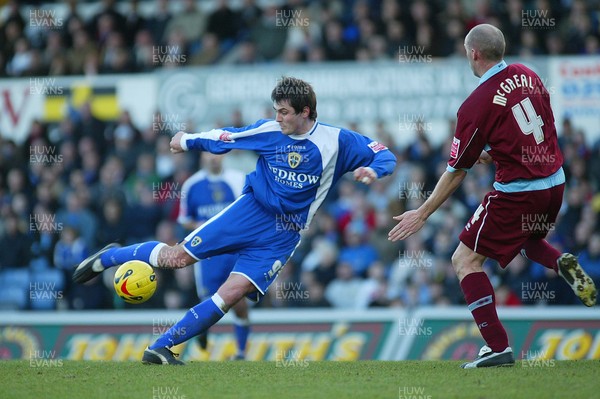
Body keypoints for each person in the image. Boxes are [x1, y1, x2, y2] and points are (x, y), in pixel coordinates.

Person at [74, 76, 396, 365]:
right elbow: (227, 137)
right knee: (177, 258)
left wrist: (373, 170)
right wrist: (187, 140)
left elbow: (385, 155)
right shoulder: (270, 131)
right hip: (250, 212)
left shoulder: (337, 142)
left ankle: (162, 347)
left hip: (283, 236)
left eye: (284, 112)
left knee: (230, 296)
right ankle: (109, 256)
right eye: (276, 110)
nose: (278, 117)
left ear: (306, 112)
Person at [388, 24, 597, 369]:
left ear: (473, 54)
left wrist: (422, 213)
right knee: (528, 239)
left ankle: (497, 346)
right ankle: (560, 262)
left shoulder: (476, 104)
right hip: (555, 183)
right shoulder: (528, 74)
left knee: (464, 261)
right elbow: (535, 128)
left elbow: (456, 172)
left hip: (519, 193)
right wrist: (497, 152)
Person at [178, 151, 249, 360]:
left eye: (216, 154)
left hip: (233, 250)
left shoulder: (238, 179)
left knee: (239, 302)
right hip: (207, 254)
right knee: (208, 301)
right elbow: (184, 219)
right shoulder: (191, 184)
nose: (213, 158)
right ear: (202, 158)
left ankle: (241, 352)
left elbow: (248, 211)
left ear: (223, 156)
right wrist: (201, 226)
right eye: (208, 155)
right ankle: (203, 332)